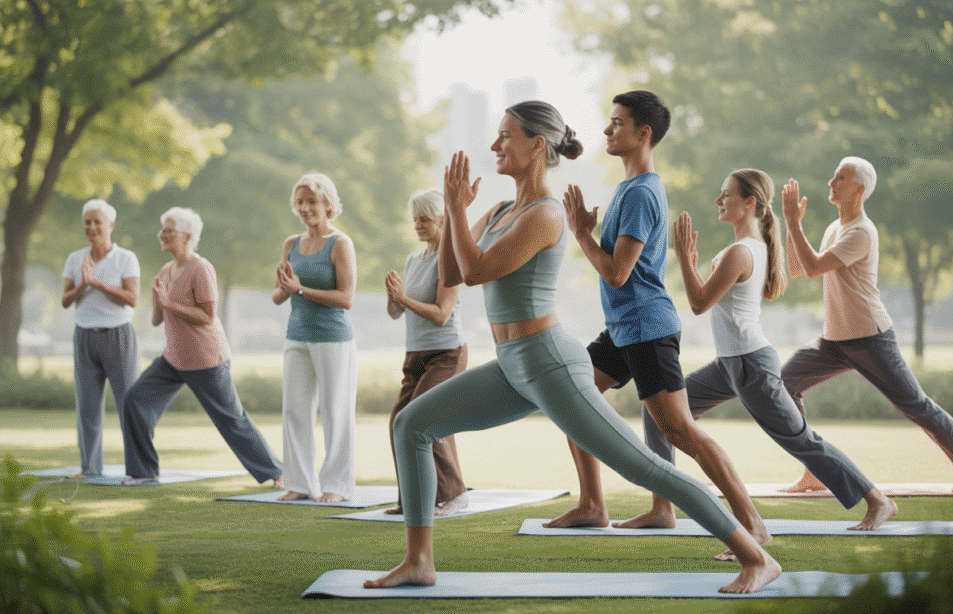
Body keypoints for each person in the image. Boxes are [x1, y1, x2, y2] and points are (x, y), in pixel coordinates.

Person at [363, 101, 780, 594]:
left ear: (537, 145)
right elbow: (451, 275)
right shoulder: (499, 211)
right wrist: (459, 213)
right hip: (512, 364)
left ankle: (757, 557)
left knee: (645, 465)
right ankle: (419, 562)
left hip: (550, 362)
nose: (495, 145)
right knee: (412, 423)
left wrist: (454, 207)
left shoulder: (546, 215)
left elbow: (476, 272)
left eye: (506, 136)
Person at [547, 91, 769, 558]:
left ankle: (753, 526)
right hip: (625, 328)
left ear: (643, 133)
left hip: (647, 328)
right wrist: (589, 232)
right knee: (571, 399)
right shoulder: (629, 188)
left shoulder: (644, 191)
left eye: (617, 123)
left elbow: (617, 272)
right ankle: (594, 505)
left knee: (682, 433)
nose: (607, 130)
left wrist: (582, 234)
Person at [671, 168, 897, 536]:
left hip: (750, 364)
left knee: (800, 439)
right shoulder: (747, 248)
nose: (718, 200)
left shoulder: (742, 252)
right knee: (663, 412)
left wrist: (683, 256)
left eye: (726, 194)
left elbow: (698, 303)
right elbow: (708, 300)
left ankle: (877, 500)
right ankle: (662, 505)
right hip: (730, 363)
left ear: (749, 203)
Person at [780, 157, 953, 494]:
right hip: (834, 341)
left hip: (870, 338)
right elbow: (797, 268)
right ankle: (817, 470)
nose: (831, 182)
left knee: (915, 405)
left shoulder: (862, 232)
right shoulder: (835, 229)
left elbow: (812, 268)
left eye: (840, 178)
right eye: (833, 176)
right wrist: (791, 225)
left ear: (859, 190)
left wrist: (793, 222)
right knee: (784, 383)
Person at [122, 207, 282, 486]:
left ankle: (276, 472)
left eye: (169, 230)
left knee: (232, 420)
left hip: (206, 360)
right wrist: (159, 301)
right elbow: (159, 319)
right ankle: (143, 472)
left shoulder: (201, 268)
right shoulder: (165, 271)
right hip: (173, 359)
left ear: (188, 236)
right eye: (163, 229)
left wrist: (169, 302)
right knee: (135, 399)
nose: (162, 234)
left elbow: (208, 316)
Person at [271, 172, 358, 503]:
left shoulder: (340, 243)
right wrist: (284, 286)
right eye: (300, 202)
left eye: (312, 201)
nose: (305, 208)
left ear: (327, 204)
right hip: (297, 335)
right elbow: (279, 296)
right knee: (294, 410)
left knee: (335, 411)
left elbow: (346, 298)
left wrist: (301, 289)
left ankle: (336, 484)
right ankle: (299, 483)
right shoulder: (290, 244)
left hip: (333, 338)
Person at [383, 188, 468, 517]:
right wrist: (395, 298)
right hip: (415, 355)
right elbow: (396, 313)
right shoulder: (411, 260)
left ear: (442, 220)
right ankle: (413, 499)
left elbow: (441, 313)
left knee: (422, 419)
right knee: (399, 422)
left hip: (446, 353)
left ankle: (454, 492)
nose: (417, 224)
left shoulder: (450, 258)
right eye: (414, 219)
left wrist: (404, 300)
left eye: (424, 219)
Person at [61, 199, 140, 477]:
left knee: (128, 404)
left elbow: (131, 299)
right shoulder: (76, 259)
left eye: (98, 222)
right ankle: (90, 468)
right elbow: (65, 300)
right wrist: (84, 283)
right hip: (84, 336)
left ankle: (139, 468)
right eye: (87, 222)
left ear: (111, 225)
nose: (92, 227)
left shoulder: (125, 258)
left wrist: (99, 284)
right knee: (87, 407)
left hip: (117, 335)